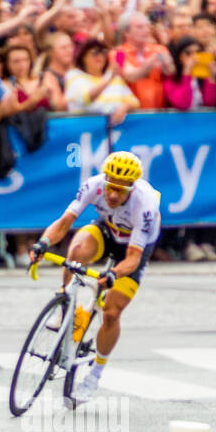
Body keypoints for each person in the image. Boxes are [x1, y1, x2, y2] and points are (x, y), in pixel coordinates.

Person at [29, 151, 161, 404]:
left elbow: (133, 258)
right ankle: (65, 304)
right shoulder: (94, 185)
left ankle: (95, 375)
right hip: (108, 230)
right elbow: (64, 222)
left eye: (120, 191)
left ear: (132, 188)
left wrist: (113, 274)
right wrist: (43, 243)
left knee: (111, 312)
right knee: (76, 251)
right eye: (111, 187)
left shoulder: (144, 204)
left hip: (133, 248)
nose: (113, 195)